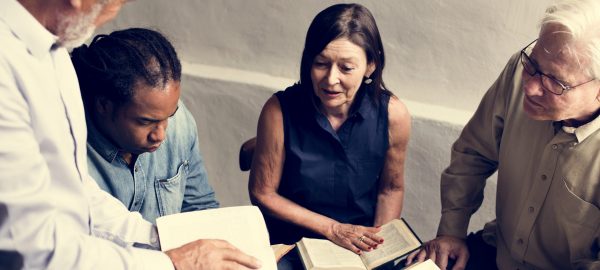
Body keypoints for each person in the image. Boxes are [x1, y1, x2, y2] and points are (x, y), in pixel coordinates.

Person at [0, 1, 260, 269]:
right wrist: (171, 263)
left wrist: (164, 237)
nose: (111, 14)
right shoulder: (6, 70)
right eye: (116, 2)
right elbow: (32, 250)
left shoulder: (55, 55)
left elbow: (80, 195)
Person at [406, 0, 600, 269]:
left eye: (555, 82)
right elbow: (473, 154)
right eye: (532, 65)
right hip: (498, 251)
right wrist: (451, 231)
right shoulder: (518, 72)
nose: (530, 87)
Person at [249, 3, 411, 268]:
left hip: (356, 247)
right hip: (292, 245)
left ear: (371, 65)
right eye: (321, 63)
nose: (330, 79)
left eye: (346, 68)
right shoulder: (278, 109)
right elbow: (263, 193)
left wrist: (378, 251)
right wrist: (333, 229)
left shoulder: (394, 115)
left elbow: (391, 189)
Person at [71, 28, 219, 224]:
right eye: (146, 122)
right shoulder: (68, 147)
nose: (160, 135)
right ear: (104, 106)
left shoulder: (180, 122)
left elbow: (201, 209)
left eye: (169, 116)